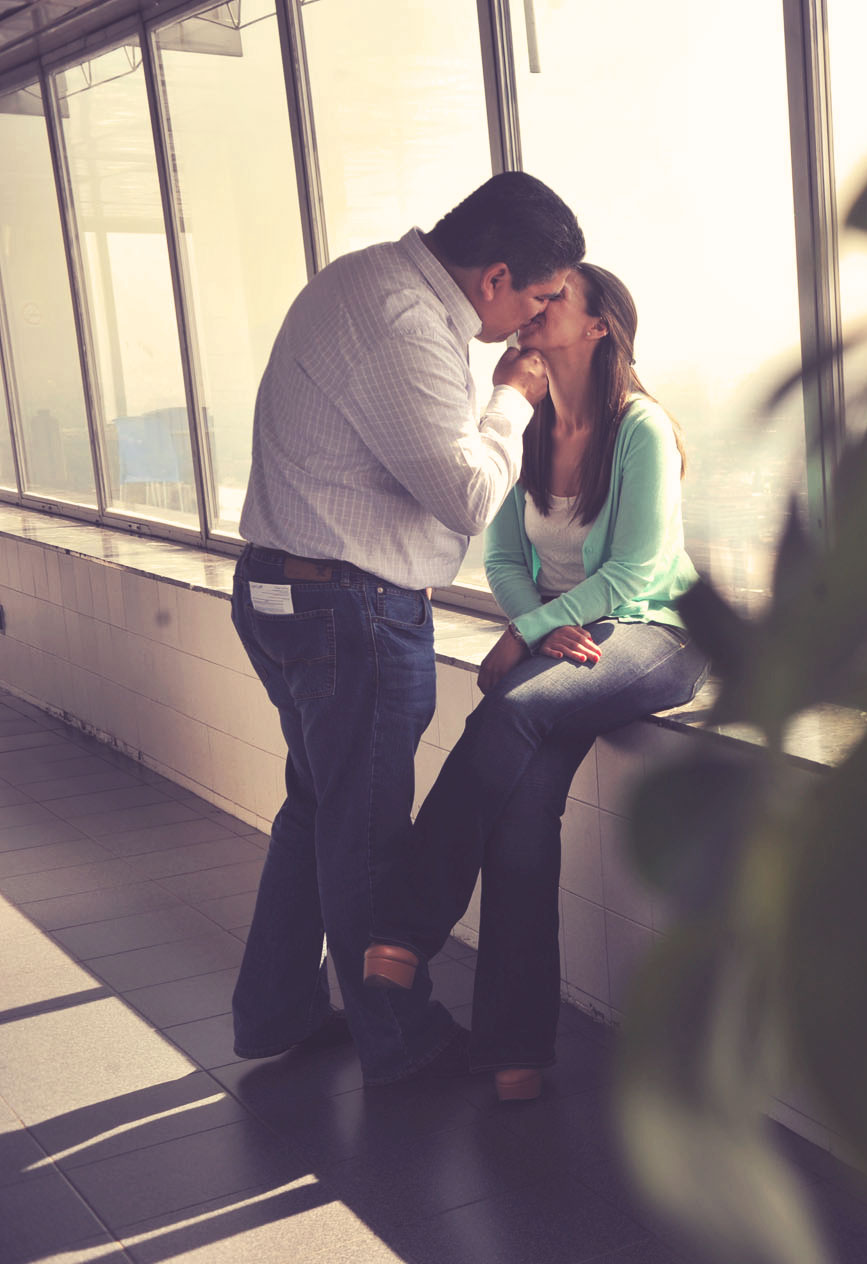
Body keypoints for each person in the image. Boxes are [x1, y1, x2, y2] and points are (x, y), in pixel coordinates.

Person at [229, 171, 584, 1086]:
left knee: (318, 808)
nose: (534, 322)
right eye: (538, 298)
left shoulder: (360, 278)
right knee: (367, 832)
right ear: (496, 276)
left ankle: (274, 1009)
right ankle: (401, 1041)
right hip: (348, 613)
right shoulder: (407, 325)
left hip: (281, 591)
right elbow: (467, 495)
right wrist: (514, 396)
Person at [364, 262, 708, 1102]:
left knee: (509, 712)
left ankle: (406, 929)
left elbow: (633, 574)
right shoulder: (533, 426)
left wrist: (527, 634)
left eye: (557, 299)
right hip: (568, 635)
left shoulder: (641, 430)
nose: (535, 307)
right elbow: (504, 559)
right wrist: (535, 625)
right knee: (521, 815)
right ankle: (514, 1054)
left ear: (599, 327)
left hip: (654, 632)